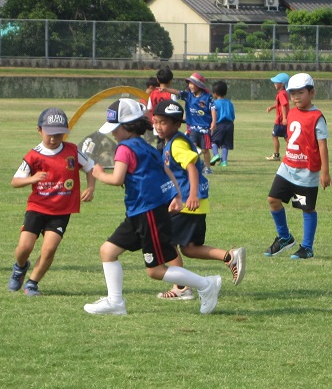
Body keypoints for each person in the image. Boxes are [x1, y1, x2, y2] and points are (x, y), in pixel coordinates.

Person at [83, 98, 221, 315]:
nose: (113, 134)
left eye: (115, 128)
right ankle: (115, 302)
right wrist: (175, 194)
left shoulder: (125, 148)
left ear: (128, 126)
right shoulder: (145, 146)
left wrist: (99, 174)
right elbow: (165, 170)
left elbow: (117, 179)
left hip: (148, 214)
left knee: (155, 270)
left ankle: (206, 284)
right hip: (139, 213)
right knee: (107, 251)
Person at [151, 99, 245, 301]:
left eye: (164, 122)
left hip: (188, 203)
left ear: (177, 125)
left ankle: (182, 287)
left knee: (166, 242)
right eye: (156, 121)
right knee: (189, 248)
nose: (159, 126)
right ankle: (229, 256)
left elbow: (192, 167)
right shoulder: (172, 141)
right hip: (193, 203)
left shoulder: (176, 143)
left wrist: (192, 194)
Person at [8, 108, 96, 296]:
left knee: (49, 249)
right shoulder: (33, 156)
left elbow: (90, 167)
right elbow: (15, 181)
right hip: (37, 208)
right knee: (24, 247)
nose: (54, 139)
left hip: (61, 212)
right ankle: (20, 267)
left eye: (59, 134)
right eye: (50, 134)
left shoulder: (72, 151)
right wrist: (31, 179)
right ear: (39, 130)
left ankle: (32, 283)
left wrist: (90, 187)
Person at [264, 73, 332, 260]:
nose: (296, 97)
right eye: (292, 93)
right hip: (287, 166)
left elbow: (322, 146)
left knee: (307, 208)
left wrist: (325, 172)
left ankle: (307, 248)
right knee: (273, 199)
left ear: (312, 92)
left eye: (300, 92)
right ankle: (285, 237)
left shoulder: (317, 117)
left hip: (307, 170)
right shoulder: (293, 113)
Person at [177, 72, 215, 174]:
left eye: (192, 84)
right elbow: (177, 92)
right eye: (189, 83)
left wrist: (214, 123)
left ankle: (207, 168)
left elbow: (213, 109)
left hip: (204, 128)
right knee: (192, 147)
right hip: (193, 128)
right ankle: (195, 166)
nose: (190, 86)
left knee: (204, 150)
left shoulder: (207, 97)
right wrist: (165, 89)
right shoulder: (189, 95)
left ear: (198, 85)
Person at [146, 68, 179, 151]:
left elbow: (149, 108)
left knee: (160, 144)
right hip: (168, 124)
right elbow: (175, 109)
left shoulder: (152, 93)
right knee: (170, 144)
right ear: (170, 81)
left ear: (157, 80)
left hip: (157, 124)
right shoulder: (171, 94)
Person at [209, 80, 235, 167]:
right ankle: (224, 161)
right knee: (225, 144)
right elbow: (233, 115)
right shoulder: (229, 103)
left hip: (219, 124)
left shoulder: (214, 103)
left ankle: (216, 154)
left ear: (215, 93)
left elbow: (213, 115)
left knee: (213, 141)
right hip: (229, 124)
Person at [266, 72, 290, 161]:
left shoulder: (281, 94)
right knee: (287, 137)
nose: (274, 84)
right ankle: (292, 153)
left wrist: (284, 118)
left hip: (280, 120)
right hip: (282, 119)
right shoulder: (283, 93)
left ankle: (276, 155)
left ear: (282, 84)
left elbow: (283, 105)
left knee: (275, 136)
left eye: (276, 82)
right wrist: (272, 107)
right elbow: (279, 104)